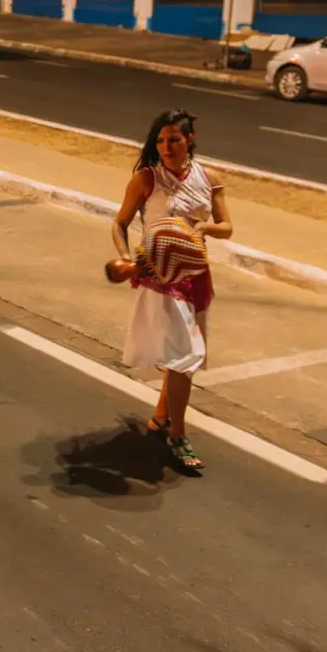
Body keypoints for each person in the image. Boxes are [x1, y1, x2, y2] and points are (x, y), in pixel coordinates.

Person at [112, 110, 233, 471]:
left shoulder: (208, 177)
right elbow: (119, 224)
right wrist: (126, 258)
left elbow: (227, 226)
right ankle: (178, 435)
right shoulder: (146, 178)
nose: (166, 147)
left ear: (189, 139)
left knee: (186, 357)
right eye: (161, 140)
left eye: (174, 140)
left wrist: (204, 230)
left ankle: (161, 418)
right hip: (160, 278)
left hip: (195, 273)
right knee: (186, 355)